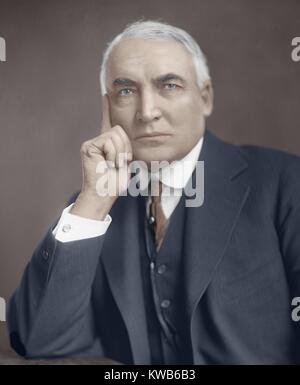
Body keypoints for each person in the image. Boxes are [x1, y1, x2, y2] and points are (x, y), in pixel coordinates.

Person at [7, 20, 300, 364]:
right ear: (108, 107)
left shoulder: (284, 182)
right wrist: (94, 203)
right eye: (126, 91)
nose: (147, 113)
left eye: (170, 85)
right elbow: (37, 341)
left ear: (205, 97)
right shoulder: (92, 209)